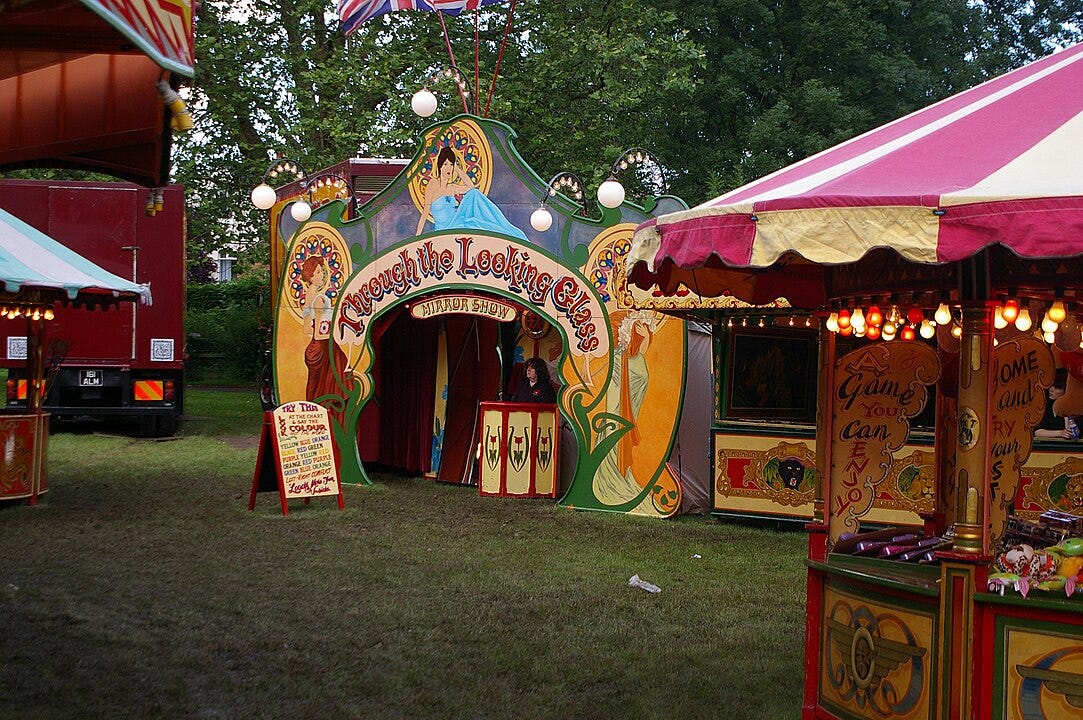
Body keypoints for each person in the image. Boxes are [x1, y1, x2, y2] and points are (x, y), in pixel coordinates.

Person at [415, 146, 527, 240]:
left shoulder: (452, 187)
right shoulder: (433, 183)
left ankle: (503, 228)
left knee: (474, 195)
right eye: (445, 164)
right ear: (439, 166)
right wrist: (417, 237)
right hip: (444, 231)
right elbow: (425, 212)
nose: (448, 168)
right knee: (474, 222)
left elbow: (471, 187)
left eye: (451, 164)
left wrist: (457, 169)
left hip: (457, 225)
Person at [300, 256, 350, 424]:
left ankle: (314, 418)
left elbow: (307, 329)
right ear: (310, 276)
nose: (322, 275)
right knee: (334, 383)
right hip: (323, 347)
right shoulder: (319, 299)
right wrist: (335, 333)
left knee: (316, 387)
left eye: (322, 271)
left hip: (314, 348)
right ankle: (330, 421)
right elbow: (318, 334)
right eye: (318, 272)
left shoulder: (309, 296)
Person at [1035, 368, 1080, 439]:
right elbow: (1037, 432)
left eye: (1057, 387)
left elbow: (1076, 431)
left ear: (1066, 390)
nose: (1051, 390)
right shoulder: (1046, 406)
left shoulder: (1077, 408)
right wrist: (1060, 433)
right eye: (1051, 386)